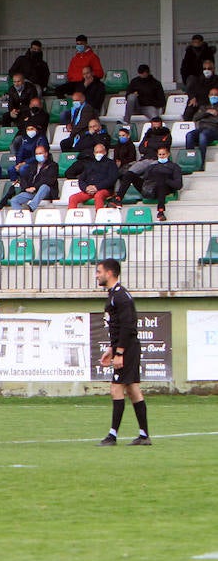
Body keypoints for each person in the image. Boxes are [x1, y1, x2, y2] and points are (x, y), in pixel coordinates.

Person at [95, 259, 150, 446]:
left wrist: (119, 353)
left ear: (109, 273)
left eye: (99, 272)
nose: (97, 275)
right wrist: (111, 349)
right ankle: (144, 435)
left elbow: (128, 326)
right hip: (125, 347)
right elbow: (118, 327)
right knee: (133, 389)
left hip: (128, 349)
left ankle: (112, 435)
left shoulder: (121, 296)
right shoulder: (113, 295)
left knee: (116, 388)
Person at [112, 146, 182, 220]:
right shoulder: (152, 166)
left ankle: (161, 211)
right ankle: (118, 199)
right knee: (129, 174)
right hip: (149, 188)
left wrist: (166, 180)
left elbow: (178, 185)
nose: (161, 156)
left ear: (168, 154)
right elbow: (145, 177)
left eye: (163, 154)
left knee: (161, 181)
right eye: (160, 154)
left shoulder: (174, 167)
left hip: (163, 189)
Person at [1, 144, 58, 211]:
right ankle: (22, 217)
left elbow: (48, 180)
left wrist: (35, 187)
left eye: (40, 153)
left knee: (44, 187)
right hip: (32, 191)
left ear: (46, 153)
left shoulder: (53, 165)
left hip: (46, 192)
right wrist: (26, 188)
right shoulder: (32, 165)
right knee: (14, 200)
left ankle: (31, 207)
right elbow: (23, 178)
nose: (38, 155)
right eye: (36, 154)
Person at [65, 144, 119, 210]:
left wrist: (97, 187)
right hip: (90, 190)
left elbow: (112, 179)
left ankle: (99, 218)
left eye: (100, 152)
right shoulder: (90, 164)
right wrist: (86, 188)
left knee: (98, 196)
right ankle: (71, 219)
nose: (98, 154)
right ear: (94, 153)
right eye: (97, 152)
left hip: (105, 190)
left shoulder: (111, 163)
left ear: (105, 152)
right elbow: (81, 179)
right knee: (73, 198)